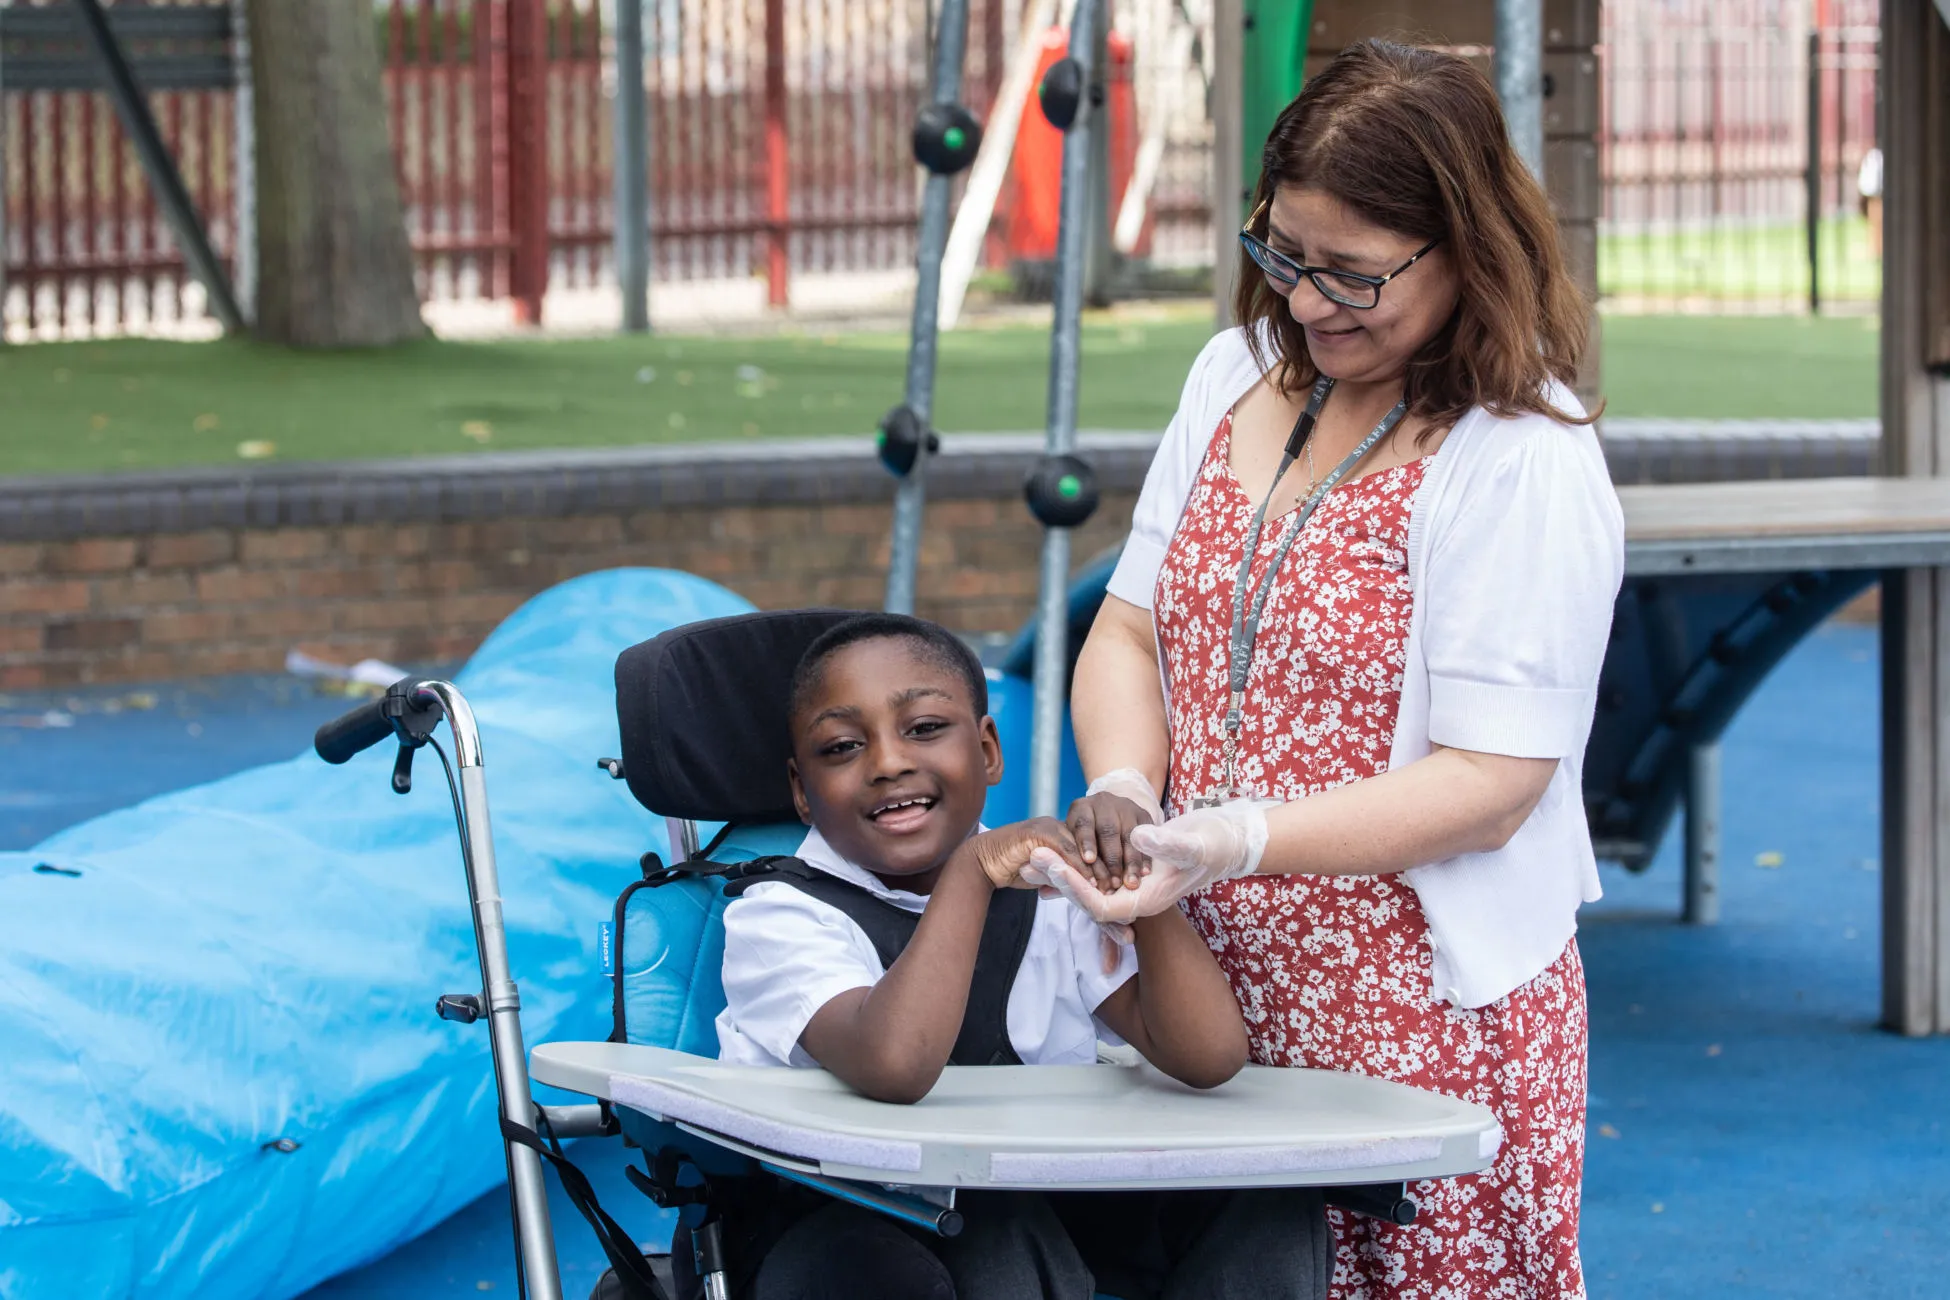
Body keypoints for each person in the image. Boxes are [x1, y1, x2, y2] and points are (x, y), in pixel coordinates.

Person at [1048, 40, 1624, 1300]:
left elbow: (1495, 781)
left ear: (1468, 249)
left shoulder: (1521, 453)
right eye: (1283, 254)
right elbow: (1132, 632)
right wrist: (1132, 790)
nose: (1308, 302)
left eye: (1353, 275)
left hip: (1416, 1004)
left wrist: (1235, 837)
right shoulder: (1232, 374)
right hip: (1200, 977)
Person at [708, 612, 1330, 1300]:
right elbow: (895, 1064)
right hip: (842, 1218)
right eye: (842, 747)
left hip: (1032, 1198)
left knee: (1262, 1200)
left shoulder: (1047, 892)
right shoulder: (779, 915)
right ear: (801, 790)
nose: (887, 763)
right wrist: (971, 872)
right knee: (994, 1230)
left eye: (924, 728)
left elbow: (1206, 1058)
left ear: (989, 749)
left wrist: (1140, 876)